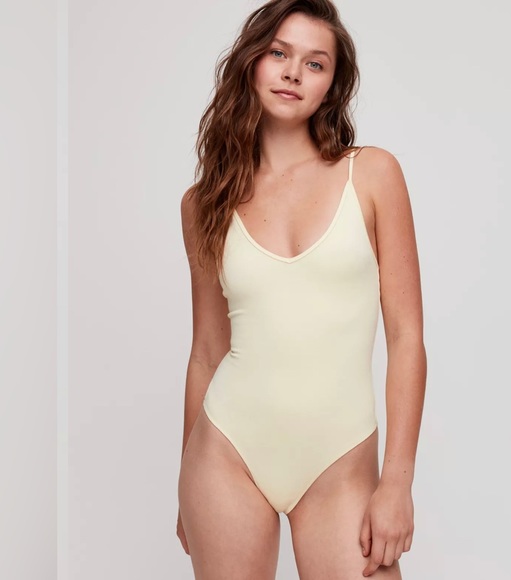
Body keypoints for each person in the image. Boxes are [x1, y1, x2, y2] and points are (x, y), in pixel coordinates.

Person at [177, 0, 427, 578]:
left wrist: (397, 483)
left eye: (315, 63)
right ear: (251, 62)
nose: (293, 73)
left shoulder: (372, 174)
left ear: (331, 85)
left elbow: (407, 337)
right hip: (226, 453)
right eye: (278, 53)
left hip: (340, 462)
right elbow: (206, 352)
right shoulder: (203, 204)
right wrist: (183, 480)